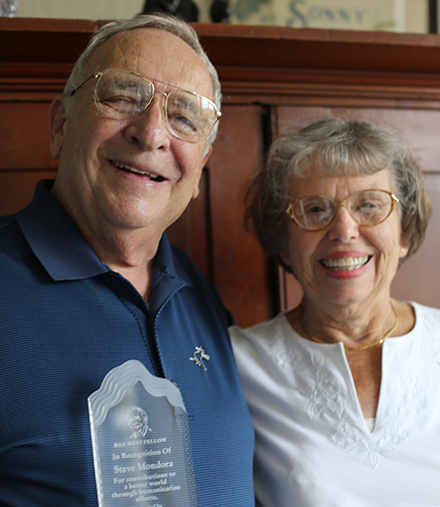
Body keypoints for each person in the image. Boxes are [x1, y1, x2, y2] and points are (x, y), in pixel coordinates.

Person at [0, 14, 255, 507]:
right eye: (122, 95)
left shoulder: (197, 293)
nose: (152, 132)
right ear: (60, 124)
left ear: (200, 169)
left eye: (184, 116)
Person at [230, 116, 440, 506]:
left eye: (369, 206)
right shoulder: (238, 363)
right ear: (283, 242)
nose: (344, 229)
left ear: (405, 232)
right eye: (315, 210)